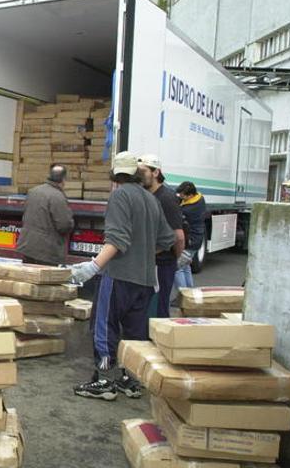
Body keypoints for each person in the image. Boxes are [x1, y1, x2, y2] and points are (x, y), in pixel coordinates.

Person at [70, 151, 175, 401]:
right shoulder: (151, 200)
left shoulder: (120, 196)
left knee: (104, 326)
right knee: (134, 333)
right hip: (145, 279)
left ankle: (105, 379)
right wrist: (143, 253)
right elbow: (166, 240)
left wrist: (93, 266)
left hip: (119, 276)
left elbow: (117, 240)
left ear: (115, 175)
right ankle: (130, 380)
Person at [138, 154, 185, 318]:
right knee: (145, 307)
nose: (139, 175)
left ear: (156, 172)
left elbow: (178, 236)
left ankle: (159, 333)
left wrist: (174, 258)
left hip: (162, 263)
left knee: (158, 308)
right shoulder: (145, 195)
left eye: (143, 171)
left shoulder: (166, 198)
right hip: (148, 263)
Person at [16, 164, 75, 266]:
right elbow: (64, 225)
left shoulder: (33, 191)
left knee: (29, 274)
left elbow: (26, 215)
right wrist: (71, 224)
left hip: (28, 247)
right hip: (47, 252)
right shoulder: (58, 196)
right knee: (45, 276)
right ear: (63, 179)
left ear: (49, 175)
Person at [175, 181, 207, 288]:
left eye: (182, 195)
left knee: (177, 268)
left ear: (190, 195)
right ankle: (190, 292)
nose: (180, 196)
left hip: (190, 241)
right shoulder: (200, 198)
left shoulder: (188, 210)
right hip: (196, 240)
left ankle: (183, 294)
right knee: (186, 266)